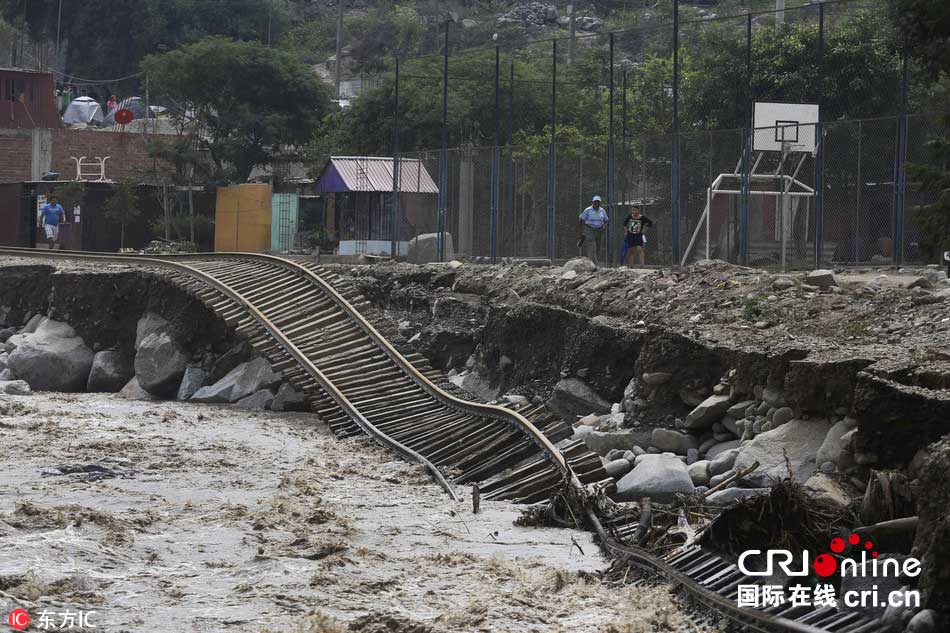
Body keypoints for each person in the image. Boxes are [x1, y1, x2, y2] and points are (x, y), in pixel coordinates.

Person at [579, 195, 608, 266]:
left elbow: (606, 220)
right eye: (595, 202)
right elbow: (581, 219)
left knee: (598, 247)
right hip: (589, 229)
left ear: (600, 203)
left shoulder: (602, 210)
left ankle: (592, 261)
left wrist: (604, 227)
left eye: (598, 202)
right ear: (592, 202)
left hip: (599, 230)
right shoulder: (588, 210)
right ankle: (594, 265)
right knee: (592, 246)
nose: (596, 203)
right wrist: (582, 231)